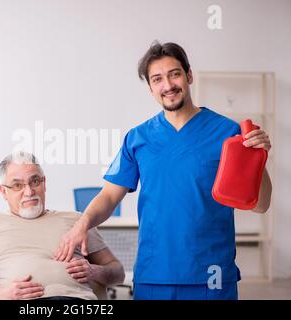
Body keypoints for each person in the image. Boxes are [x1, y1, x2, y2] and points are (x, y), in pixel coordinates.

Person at [55, 41, 272, 300]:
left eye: (174, 74)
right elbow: (110, 196)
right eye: (157, 79)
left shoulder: (228, 133)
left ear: (189, 75)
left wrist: (258, 157)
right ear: (150, 88)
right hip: (154, 274)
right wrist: (82, 224)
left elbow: (260, 204)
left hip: (211, 275)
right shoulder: (137, 138)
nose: (167, 85)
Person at [0, 152, 125, 300]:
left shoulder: (77, 220)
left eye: (35, 181)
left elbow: (118, 272)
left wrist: (95, 271)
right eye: (17, 185)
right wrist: (1, 295)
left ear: (44, 183)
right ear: (3, 192)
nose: (29, 192)